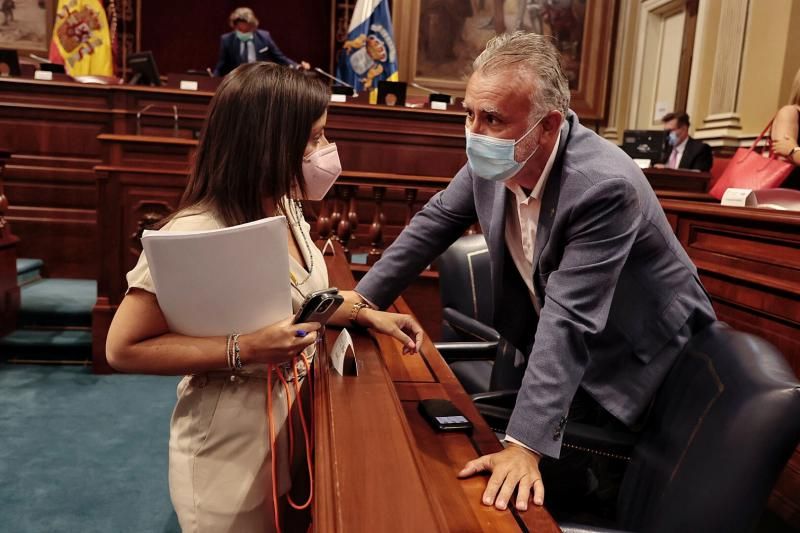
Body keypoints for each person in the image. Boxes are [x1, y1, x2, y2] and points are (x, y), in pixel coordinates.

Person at [354, 32, 716, 514]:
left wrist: (524, 446)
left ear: (547, 126)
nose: (475, 131)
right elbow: (433, 223)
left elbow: (568, 319)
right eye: (469, 114)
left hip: (636, 362)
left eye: (493, 119)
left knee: (552, 492)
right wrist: (356, 304)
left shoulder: (602, 186)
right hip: (570, 355)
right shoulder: (493, 158)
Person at [105, 63, 423, 533]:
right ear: (268, 144)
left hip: (289, 424)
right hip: (229, 450)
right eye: (313, 139)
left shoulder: (285, 205)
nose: (325, 151)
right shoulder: (195, 232)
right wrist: (244, 348)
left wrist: (364, 313)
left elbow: (304, 299)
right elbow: (122, 348)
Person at [213, 7, 311, 77]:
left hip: (259, 78)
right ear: (234, 26)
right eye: (239, 28)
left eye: (246, 28)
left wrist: (297, 66)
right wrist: (213, 78)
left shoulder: (264, 37)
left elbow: (280, 58)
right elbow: (221, 65)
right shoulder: (227, 40)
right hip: (236, 79)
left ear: (253, 26)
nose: (242, 31)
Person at [770, 67, 800, 190]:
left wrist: (794, 151)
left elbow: (790, 150)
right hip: (790, 195)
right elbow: (783, 157)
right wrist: (793, 152)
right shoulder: (790, 113)